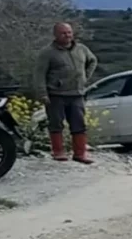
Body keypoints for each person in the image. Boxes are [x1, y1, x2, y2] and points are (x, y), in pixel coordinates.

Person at [32, 22, 99, 164]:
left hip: (77, 94)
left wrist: (85, 77)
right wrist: (42, 93)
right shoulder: (47, 53)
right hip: (56, 95)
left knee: (79, 124)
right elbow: (39, 74)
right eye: (63, 33)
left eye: (69, 32)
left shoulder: (81, 49)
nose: (67, 35)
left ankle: (80, 154)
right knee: (56, 124)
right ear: (55, 35)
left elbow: (93, 61)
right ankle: (58, 152)